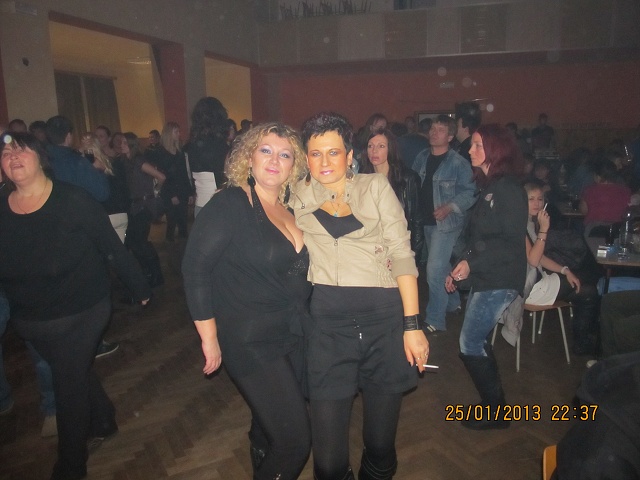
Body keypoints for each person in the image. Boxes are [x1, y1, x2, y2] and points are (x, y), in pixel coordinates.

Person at [0, 132, 151, 480]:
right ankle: (104, 419)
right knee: (73, 372)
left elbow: (111, 246)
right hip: (31, 319)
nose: (13, 156)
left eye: (22, 150)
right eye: (6, 153)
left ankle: (70, 466)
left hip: (83, 311)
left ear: (41, 158)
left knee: (67, 384)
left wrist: (139, 286)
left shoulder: (72, 200)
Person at [292, 112, 429, 480]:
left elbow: (402, 254)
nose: (324, 162)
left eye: (333, 152)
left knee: (380, 445)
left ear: (350, 155)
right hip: (328, 329)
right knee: (328, 463)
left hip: (384, 324)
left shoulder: (375, 187)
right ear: (306, 158)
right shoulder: (295, 194)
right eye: (316, 153)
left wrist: (412, 325)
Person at [182, 122, 311, 479]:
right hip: (250, 338)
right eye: (265, 150)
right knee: (295, 442)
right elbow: (195, 268)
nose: (274, 160)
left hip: (291, 331)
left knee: (268, 425)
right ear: (248, 157)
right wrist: (209, 338)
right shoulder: (229, 203)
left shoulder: (289, 207)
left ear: (294, 165)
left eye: (284, 154)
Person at [445, 124, 527, 430]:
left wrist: (470, 264)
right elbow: (479, 240)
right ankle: (495, 407)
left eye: (478, 145)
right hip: (489, 276)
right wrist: (461, 268)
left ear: (496, 149)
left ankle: (496, 412)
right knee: (475, 340)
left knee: (470, 342)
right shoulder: (491, 187)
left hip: (500, 278)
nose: (470, 150)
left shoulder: (508, 189)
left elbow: (509, 242)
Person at [412, 114, 476, 333]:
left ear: (450, 137)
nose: (434, 133)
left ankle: (435, 320)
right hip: (426, 222)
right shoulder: (422, 157)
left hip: (447, 224)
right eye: (432, 128)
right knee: (441, 265)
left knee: (433, 270)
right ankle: (454, 302)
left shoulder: (458, 163)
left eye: (440, 130)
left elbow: (471, 192)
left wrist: (450, 206)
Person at [521, 182, 600, 355]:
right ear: (521, 201)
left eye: (540, 199)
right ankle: (584, 343)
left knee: (587, 288)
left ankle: (585, 341)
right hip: (529, 289)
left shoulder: (527, 222)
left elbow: (540, 257)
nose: (537, 203)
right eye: (531, 199)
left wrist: (565, 270)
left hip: (537, 280)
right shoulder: (519, 225)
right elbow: (534, 261)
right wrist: (544, 230)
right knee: (590, 284)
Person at [360, 128, 425, 263]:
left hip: (397, 244)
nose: (374, 151)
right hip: (370, 247)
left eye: (381, 146)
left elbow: (416, 220)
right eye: (370, 146)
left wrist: (414, 255)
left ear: (390, 149)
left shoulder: (407, 178)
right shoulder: (362, 178)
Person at [122, 132, 166, 288]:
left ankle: (155, 274)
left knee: (140, 241)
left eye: (124, 142)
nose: (121, 145)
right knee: (134, 241)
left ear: (131, 144)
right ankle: (149, 272)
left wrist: (156, 190)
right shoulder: (126, 161)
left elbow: (161, 176)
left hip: (145, 205)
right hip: (136, 205)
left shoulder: (138, 160)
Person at [183, 97, 229, 217]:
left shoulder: (191, 145)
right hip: (218, 205)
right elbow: (225, 177)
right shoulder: (219, 145)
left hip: (200, 205)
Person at [80, 133, 130, 243]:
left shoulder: (86, 168)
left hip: (103, 215)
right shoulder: (113, 163)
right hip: (120, 213)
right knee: (119, 249)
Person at [156, 122, 193, 242]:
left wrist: (190, 193)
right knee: (171, 221)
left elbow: (184, 173)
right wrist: (172, 194)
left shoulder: (179, 151)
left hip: (182, 190)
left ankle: (183, 246)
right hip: (169, 191)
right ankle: (171, 247)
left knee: (183, 221)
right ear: (169, 134)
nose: (179, 134)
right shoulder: (161, 152)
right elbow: (163, 176)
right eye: (176, 132)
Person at [579, 159, 631, 237]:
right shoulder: (625, 191)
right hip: (617, 230)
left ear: (598, 177)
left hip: (594, 230)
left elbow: (584, 211)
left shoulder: (590, 190)